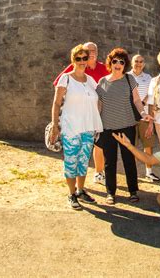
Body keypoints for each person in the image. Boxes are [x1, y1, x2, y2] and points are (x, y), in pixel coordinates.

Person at [49, 44, 103, 210]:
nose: (81, 61)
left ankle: (80, 190)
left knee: (83, 161)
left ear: (88, 60)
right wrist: (54, 125)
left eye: (84, 58)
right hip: (71, 127)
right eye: (78, 58)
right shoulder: (66, 78)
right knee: (71, 162)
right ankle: (71, 194)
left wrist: (97, 114)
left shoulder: (91, 81)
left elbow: (100, 99)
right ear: (73, 60)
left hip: (88, 127)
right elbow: (57, 103)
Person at [95, 48, 152, 205]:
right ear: (110, 63)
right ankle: (110, 193)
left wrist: (143, 113)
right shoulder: (102, 82)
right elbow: (99, 105)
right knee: (110, 161)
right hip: (107, 128)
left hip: (127, 126)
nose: (118, 64)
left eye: (121, 62)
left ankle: (133, 191)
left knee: (129, 160)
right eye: (115, 61)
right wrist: (95, 124)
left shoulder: (129, 80)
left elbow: (136, 101)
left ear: (125, 64)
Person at [127, 54, 160, 182]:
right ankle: (133, 174)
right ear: (132, 63)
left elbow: (151, 94)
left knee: (148, 145)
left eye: (141, 61)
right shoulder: (126, 77)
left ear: (144, 64)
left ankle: (149, 172)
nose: (138, 64)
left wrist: (142, 104)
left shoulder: (148, 78)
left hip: (145, 116)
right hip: (129, 117)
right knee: (131, 146)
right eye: (136, 61)